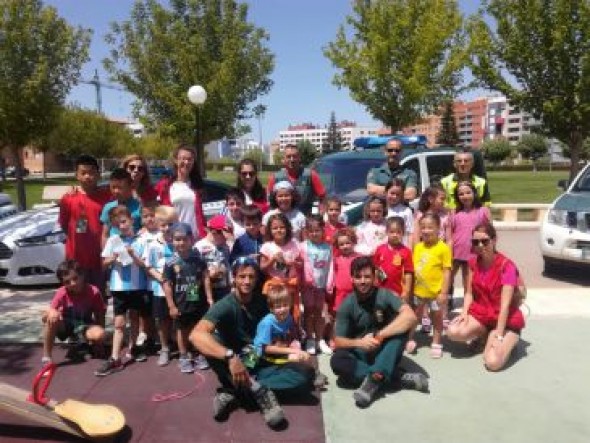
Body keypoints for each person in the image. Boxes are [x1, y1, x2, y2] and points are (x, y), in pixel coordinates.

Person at [191, 257, 314, 428]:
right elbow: (195, 335)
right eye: (241, 276)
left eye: (251, 276)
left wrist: (287, 344)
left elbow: (278, 327)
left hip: (261, 360)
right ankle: (259, 393)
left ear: (257, 279)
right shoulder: (224, 305)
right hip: (239, 362)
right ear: (233, 277)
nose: (247, 281)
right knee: (211, 340)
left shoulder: (264, 301)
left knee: (306, 374)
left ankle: (237, 391)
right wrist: (230, 357)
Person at [330, 256, 428, 408]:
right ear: (352, 279)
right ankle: (395, 376)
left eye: (367, 276)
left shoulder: (384, 294)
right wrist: (360, 342)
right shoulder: (347, 304)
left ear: (375, 277)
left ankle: (372, 382)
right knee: (337, 361)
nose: (363, 281)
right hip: (361, 352)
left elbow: (410, 317)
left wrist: (380, 335)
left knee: (401, 328)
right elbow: (338, 341)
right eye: (358, 277)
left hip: (384, 349)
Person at [446, 223, 525, 372]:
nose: (480, 245)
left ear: (494, 240)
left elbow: (505, 307)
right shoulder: (472, 264)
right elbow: (469, 293)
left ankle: (509, 339)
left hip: (504, 320)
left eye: (485, 241)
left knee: (492, 363)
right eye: (476, 242)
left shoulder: (507, 266)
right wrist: (464, 313)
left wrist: (499, 336)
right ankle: (485, 335)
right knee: (453, 331)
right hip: (483, 314)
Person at [97, 206, 150, 376]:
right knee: (119, 323)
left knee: (135, 317)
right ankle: (114, 357)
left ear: (131, 220)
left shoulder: (141, 240)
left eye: (124, 222)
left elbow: (144, 265)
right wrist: (113, 258)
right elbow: (104, 263)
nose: (121, 226)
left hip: (137, 286)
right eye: (116, 224)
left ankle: (133, 347)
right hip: (119, 286)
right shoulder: (113, 240)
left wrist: (133, 255)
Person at [253, 284, 328, 386]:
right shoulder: (267, 323)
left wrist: (296, 339)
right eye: (278, 306)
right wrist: (294, 350)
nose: (282, 309)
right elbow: (265, 348)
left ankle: (313, 373)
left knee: (301, 356)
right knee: (297, 356)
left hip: (281, 349)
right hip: (263, 357)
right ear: (271, 308)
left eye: (285, 305)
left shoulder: (288, 317)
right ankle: (312, 374)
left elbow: (292, 332)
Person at [164, 222, 212, 373]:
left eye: (185, 239)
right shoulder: (170, 262)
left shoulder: (198, 259)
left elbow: (205, 278)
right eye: (177, 239)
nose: (181, 242)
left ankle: (198, 354)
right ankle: (184, 356)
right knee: (181, 330)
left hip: (196, 297)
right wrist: (171, 305)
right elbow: (167, 285)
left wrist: (210, 298)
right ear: (172, 240)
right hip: (180, 301)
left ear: (191, 239)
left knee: (196, 327)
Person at [59, 154, 111, 292]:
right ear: (77, 175)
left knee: (99, 298)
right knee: (77, 299)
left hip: (99, 259)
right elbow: (64, 225)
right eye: (83, 173)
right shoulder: (69, 198)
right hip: (76, 259)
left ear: (98, 175)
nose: (87, 176)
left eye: (91, 172)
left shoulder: (106, 196)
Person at [41, 260, 106, 366]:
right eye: (67, 282)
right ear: (63, 283)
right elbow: (50, 310)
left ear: (82, 276)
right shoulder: (62, 292)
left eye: (75, 278)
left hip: (84, 326)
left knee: (99, 334)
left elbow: (100, 316)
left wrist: (100, 344)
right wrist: (52, 312)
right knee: (49, 317)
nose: (73, 283)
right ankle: (46, 357)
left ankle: (84, 343)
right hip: (66, 326)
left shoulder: (94, 291)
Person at [408, 213, 452, 358]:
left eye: (430, 227)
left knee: (437, 317)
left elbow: (446, 272)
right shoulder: (419, 247)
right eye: (423, 227)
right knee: (415, 316)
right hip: (418, 291)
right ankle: (409, 339)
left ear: (438, 228)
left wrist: (443, 292)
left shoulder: (443, 248)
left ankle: (436, 342)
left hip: (435, 293)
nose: (426, 230)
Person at [448, 181, 491, 307]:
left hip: (472, 253)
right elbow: (450, 233)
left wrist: (489, 250)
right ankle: (447, 301)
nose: (465, 196)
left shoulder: (483, 211)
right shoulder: (454, 212)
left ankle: (469, 306)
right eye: (461, 194)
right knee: (447, 278)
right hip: (455, 252)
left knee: (468, 281)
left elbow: (489, 233)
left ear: (474, 193)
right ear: (457, 197)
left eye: (468, 192)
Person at [144, 206, 177, 366]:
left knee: (182, 318)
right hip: (160, 289)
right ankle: (165, 348)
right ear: (157, 224)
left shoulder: (181, 240)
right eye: (164, 225)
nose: (168, 228)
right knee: (163, 319)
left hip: (180, 289)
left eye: (171, 224)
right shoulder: (153, 244)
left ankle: (186, 348)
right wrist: (161, 278)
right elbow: (148, 266)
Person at [155, 144, 206, 240]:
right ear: (175, 160)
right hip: (174, 239)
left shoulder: (197, 186)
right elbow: (155, 212)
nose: (186, 162)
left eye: (190, 159)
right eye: (183, 158)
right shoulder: (165, 186)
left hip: (195, 239)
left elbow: (200, 215)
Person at [300, 215, 334, 356]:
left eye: (317, 230)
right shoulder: (303, 246)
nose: (314, 233)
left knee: (320, 313)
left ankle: (320, 340)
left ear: (323, 230)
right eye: (311, 231)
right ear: (307, 232)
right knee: (308, 313)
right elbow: (299, 266)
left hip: (321, 287)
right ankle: (310, 339)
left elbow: (331, 266)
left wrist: (329, 283)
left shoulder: (328, 247)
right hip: (308, 287)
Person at [259, 213, 302, 324]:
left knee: (293, 312)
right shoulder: (267, 246)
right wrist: (272, 259)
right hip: (275, 287)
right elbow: (262, 268)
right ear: (270, 230)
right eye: (275, 228)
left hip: (291, 285)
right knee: (277, 313)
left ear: (287, 228)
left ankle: (293, 335)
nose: (279, 230)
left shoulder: (295, 244)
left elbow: (302, 263)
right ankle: (277, 335)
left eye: (282, 227)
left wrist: (293, 263)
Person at [267, 143, 326, 214]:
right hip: (282, 222)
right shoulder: (275, 177)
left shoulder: (311, 175)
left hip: (305, 220)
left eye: (294, 156)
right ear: (283, 159)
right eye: (288, 156)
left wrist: (320, 215)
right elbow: (269, 200)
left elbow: (322, 196)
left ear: (299, 158)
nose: (292, 160)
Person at [373, 217, 414, 302]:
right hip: (381, 291)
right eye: (392, 232)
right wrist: (375, 284)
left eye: (398, 232)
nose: (395, 235)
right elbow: (375, 269)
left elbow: (408, 273)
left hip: (398, 292)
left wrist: (406, 291)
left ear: (403, 233)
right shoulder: (379, 249)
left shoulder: (406, 252)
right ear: (386, 232)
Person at [100, 168, 142, 248]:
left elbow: (145, 230)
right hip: (114, 252)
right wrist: (105, 256)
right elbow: (105, 234)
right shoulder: (108, 207)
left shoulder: (139, 207)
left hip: (133, 251)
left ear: (131, 186)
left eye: (120, 187)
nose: (116, 191)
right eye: (113, 187)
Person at [194, 215, 231, 303]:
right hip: (205, 292)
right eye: (224, 235)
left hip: (223, 289)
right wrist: (192, 298)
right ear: (214, 232)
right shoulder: (198, 247)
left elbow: (228, 266)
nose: (226, 239)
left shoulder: (225, 247)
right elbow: (191, 274)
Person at [384, 178, 414, 247]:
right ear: (386, 192)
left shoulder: (406, 211)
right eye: (392, 193)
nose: (394, 196)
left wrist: (409, 251)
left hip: (401, 249)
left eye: (398, 194)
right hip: (384, 251)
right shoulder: (380, 210)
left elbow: (410, 233)